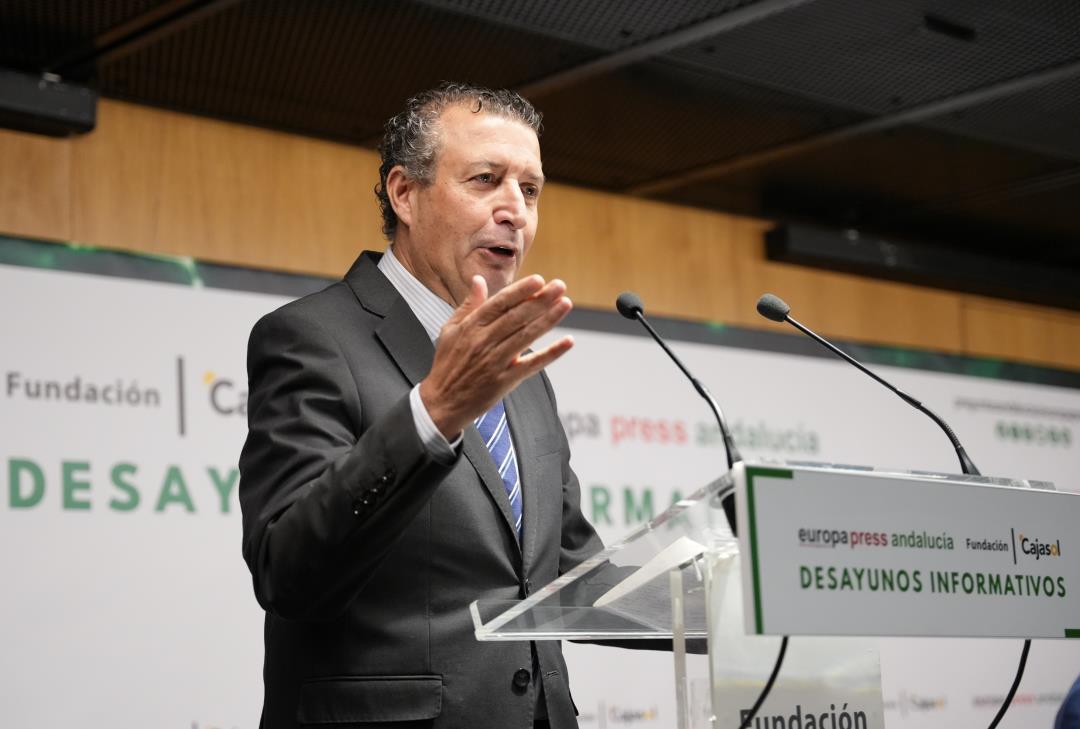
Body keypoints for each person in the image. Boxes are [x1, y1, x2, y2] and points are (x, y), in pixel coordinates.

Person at [239, 82, 602, 729]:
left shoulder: (517, 370)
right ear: (405, 193)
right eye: (486, 179)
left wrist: (733, 595)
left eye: (530, 189)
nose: (514, 210)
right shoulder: (309, 338)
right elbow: (288, 572)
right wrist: (431, 414)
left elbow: (570, 571)